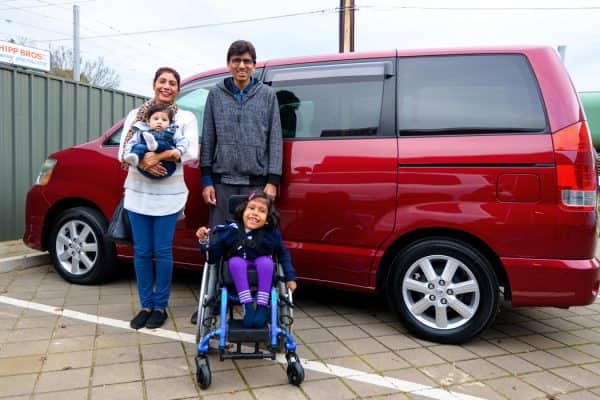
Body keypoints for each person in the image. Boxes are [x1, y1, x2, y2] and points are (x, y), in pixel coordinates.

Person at [118, 66, 198, 330]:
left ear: (177, 89)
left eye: (172, 83)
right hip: (138, 194)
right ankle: (146, 305)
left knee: (162, 251)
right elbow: (122, 151)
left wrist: (160, 156)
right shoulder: (135, 115)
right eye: (162, 81)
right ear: (154, 84)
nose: (167, 86)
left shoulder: (185, 118)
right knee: (141, 251)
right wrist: (144, 162)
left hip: (169, 196)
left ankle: (160, 306)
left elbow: (191, 152)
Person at [200, 39, 283, 227]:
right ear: (228, 64)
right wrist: (207, 181)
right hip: (222, 183)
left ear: (254, 66)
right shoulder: (215, 94)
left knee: (253, 239)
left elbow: (275, 140)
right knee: (221, 238)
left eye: (247, 61)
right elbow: (208, 139)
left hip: (257, 183)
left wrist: (272, 181)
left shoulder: (268, 95)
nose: (242, 66)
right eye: (236, 60)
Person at [196, 191, 297, 328]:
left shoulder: (271, 234)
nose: (255, 213)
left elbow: (283, 254)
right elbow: (212, 258)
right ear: (243, 211)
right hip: (234, 274)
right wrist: (203, 241)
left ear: (267, 218)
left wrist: (290, 278)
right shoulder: (230, 231)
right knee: (235, 261)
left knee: (266, 262)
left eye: (261, 211)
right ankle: (247, 305)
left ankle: (261, 307)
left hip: (263, 273)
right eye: (251, 208)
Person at [123, 103, 186, 179]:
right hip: (144, 166)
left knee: (165, 145)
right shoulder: (141, 130)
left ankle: (154, 145)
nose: (159, 122)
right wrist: (128, 155)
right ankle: (135, 157)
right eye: (156, 119)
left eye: (164, 120)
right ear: (148, 121)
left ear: (169, 123)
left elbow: (182, 141)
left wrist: (179, 150)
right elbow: (130, 143)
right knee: (138, 146)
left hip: (166, 166)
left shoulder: (172, 131)